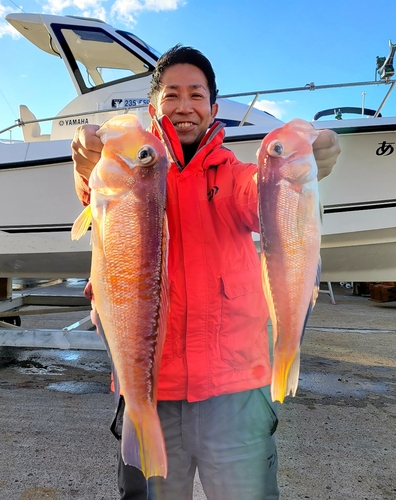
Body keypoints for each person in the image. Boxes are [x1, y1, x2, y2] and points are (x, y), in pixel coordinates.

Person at [72, 45, 341, 500]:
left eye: (196, 95)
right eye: (172, 95)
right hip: (152, 393)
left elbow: (266, 198)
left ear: (213, 108)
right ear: (155, 106)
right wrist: (85, 159)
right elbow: (95, 198)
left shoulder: (235, 174)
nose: (184, 106)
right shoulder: (130, 172)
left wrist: (313, 160)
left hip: (235, 391)